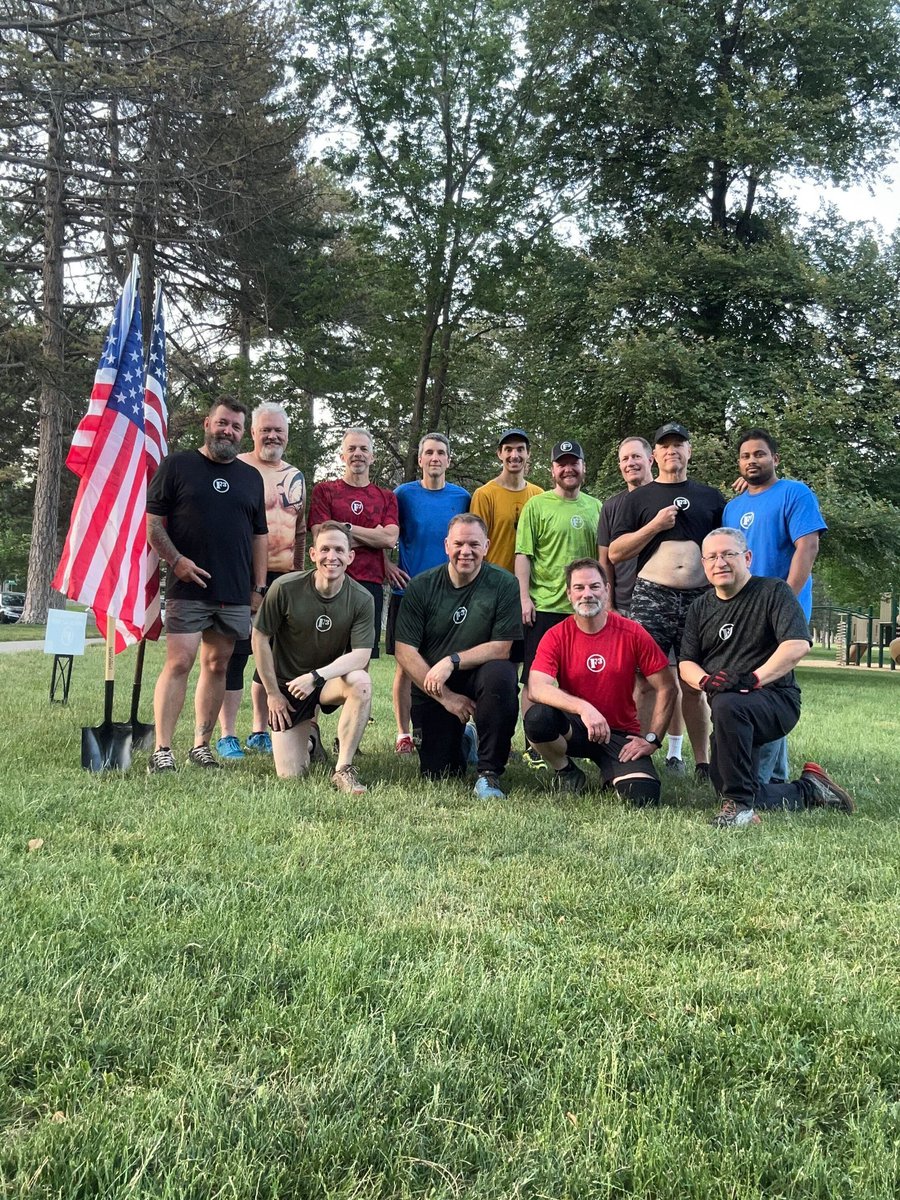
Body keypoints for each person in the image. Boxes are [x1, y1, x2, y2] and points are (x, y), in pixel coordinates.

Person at [679, 527, 855, 827]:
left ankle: (740, 812)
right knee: (726, 785)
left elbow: (797, 644)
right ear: (704, 564)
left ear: (747, 557)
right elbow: (686, 663)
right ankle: (810, 790)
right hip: (730, 710)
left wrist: (753, 679)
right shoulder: (700, 607)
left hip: (775, 701)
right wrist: (706, 682)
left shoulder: (773, 592)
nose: (720, 562)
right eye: (711, 557)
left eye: (728, 554)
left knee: (728, 707)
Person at [146, 398, 268, 772]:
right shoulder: (178, 466)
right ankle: (162, 749)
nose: (227, 431)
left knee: (217, 665)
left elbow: (259, 537)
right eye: (222, 423)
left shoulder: (251, 477)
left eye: (234, 427)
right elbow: (153, 523)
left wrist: (258, 589)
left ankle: (201, 745)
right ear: (207, 423)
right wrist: (177, 562)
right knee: (179, 662)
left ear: (243, 433)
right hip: (188, 587)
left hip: (233, 591)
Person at [608, 422, 725, 777]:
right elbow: (615, 552)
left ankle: (703, 762)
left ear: (689, 452)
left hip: (699, 598)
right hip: (651, 595)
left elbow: (727, 542)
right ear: (654, 455)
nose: (672, 450)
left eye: (679, 445)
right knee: (644, 680)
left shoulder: (711, 497)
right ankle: (637, 753)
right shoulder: (637, 499)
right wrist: (655, 526)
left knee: (695, 682)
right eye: (665, 446)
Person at [525, 558, 676, 804]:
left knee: (642, 798)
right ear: (568, 594)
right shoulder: (556, 635)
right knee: (538, 718)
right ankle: (566, 772)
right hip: (576, 729)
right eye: (579, 588)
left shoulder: (633, 632)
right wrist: (584, 708)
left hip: (619, 733)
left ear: (607, 590)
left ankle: (613, 773)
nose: (587, 594)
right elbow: (536, 687)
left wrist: (653, 739)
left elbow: (667, 687)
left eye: (595, 587)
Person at [723, 427, 827, 784]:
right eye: (746, 456)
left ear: (775, 458)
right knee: (760, 687)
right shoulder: (733, 507)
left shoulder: (795, 493)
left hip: (780, 611)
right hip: (742, 612)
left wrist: (783, 600)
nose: (753, 461)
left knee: (765, 687)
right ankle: (777, 776)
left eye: (760, 454)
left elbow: (807, 547)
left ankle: (763, 780)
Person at [394, 513, 521, 799]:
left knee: (502, 674)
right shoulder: (422, 586)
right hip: (435, 687)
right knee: (438, 773)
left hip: (480, 677)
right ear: (446, 546)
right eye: (459, 544)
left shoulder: (504, 583)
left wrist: (451, 660)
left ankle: (489, 773)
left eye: (474, 544)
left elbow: (502, 647)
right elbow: (404, 651)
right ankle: (466, 739)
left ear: (486, 546)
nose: (466, 551)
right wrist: (447, 698)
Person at [251, 521, 374, 793]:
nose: (333, 557)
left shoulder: (362, 598)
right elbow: (259, 637)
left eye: (340, 550)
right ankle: (310, 741)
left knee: (361, 681)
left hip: (325, 681)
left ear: (350, 556)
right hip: (288, 687)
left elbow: (361, 654)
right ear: (313, 554)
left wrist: (316, 676)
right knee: (291, 775)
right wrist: (273, 694)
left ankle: (343, 769)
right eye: (326, 549)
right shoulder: (285, 587)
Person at [216, 402, 307, 760]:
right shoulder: (236, 467)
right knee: (235, 652)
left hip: (284, 577)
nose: (272, 436)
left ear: (287, 435)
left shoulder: (295, 475)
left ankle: (259, 730)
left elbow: (299, 532)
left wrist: (299, 575)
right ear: (253, 432)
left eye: (278, 431)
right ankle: (226, 734)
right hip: (240, 576)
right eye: (265, 429)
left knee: (271, 656)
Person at [514, 439, 602, 766]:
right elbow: (523, 555)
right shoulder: (537, 506)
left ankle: (583, 739)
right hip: (545, 607)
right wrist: (523, 597)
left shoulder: (597, 507)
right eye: (561, 463)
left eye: (573, 462)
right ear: (552, 469)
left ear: (583, 467)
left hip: (584, 609)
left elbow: (602, 560)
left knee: (582, 678)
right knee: (535, 680)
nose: (568, 469)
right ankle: (533, 744)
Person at [384, 432, 470, 754]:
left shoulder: (462, 497)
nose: (435, 458)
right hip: (408, 592)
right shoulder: (402, 494)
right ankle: (403, 734)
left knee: (449, 661)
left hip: (450, 594)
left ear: (448, 459)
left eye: (441, 453)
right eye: (429, 453)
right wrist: (385, 564)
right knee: (405, 666)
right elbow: (386, 532)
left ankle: (454, 724)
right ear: (420, 459)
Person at [307, 428, 399, 658]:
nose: (358, 453)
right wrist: (371, 537)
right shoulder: (325, 491)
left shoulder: (386, 497)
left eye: (363, 449)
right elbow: (321, 538)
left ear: (372, 457)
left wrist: (344, 528)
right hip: (330, 582)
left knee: (361, 656)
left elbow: (389, 538)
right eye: (352, 449)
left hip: (369, 586)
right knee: (322, 654)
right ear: (342, 456)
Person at [470, 429, 543, 573]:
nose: (514, 455)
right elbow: (475, 544)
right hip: (494, 582)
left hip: (531, 584)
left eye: (520, 449)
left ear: (528, 453)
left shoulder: (539, 495)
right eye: (508, 449)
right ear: (499, 454)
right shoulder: (484, 495)